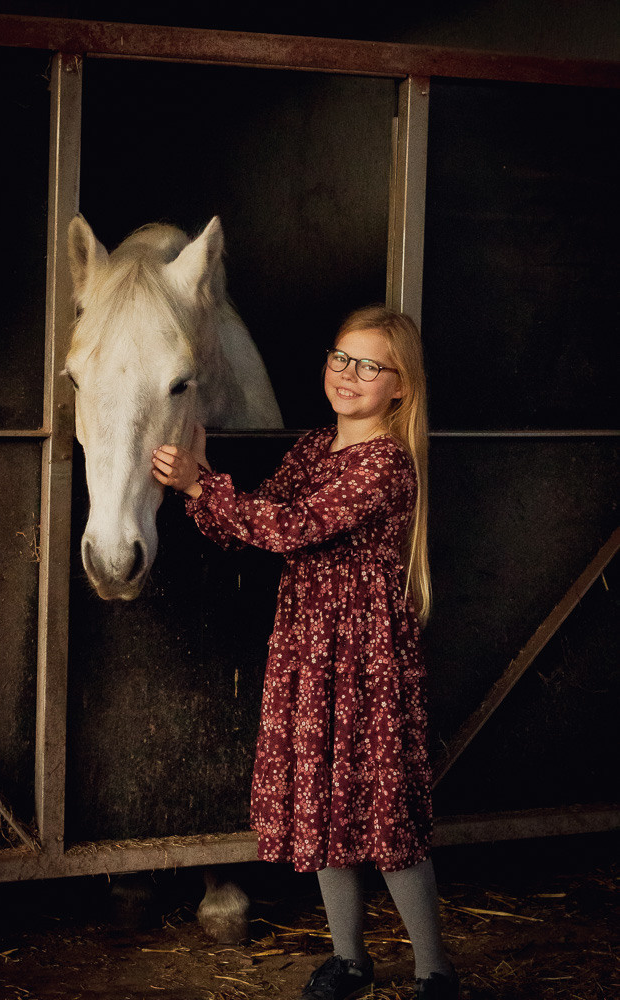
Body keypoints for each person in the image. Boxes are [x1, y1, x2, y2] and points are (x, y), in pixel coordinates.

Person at [151, 305, 459, 1000]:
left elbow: (294, 527)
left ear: (401, 385)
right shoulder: (316, 446)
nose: (348, 375)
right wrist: (202, 479)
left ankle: (434, 970)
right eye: (339, 358)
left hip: (362, 657)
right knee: (322, 804)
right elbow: (255, 521)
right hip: (307, 647)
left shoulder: (385, 462)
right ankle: (349, 959)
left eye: (369, 365)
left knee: (383, 811)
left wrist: (200, 485)